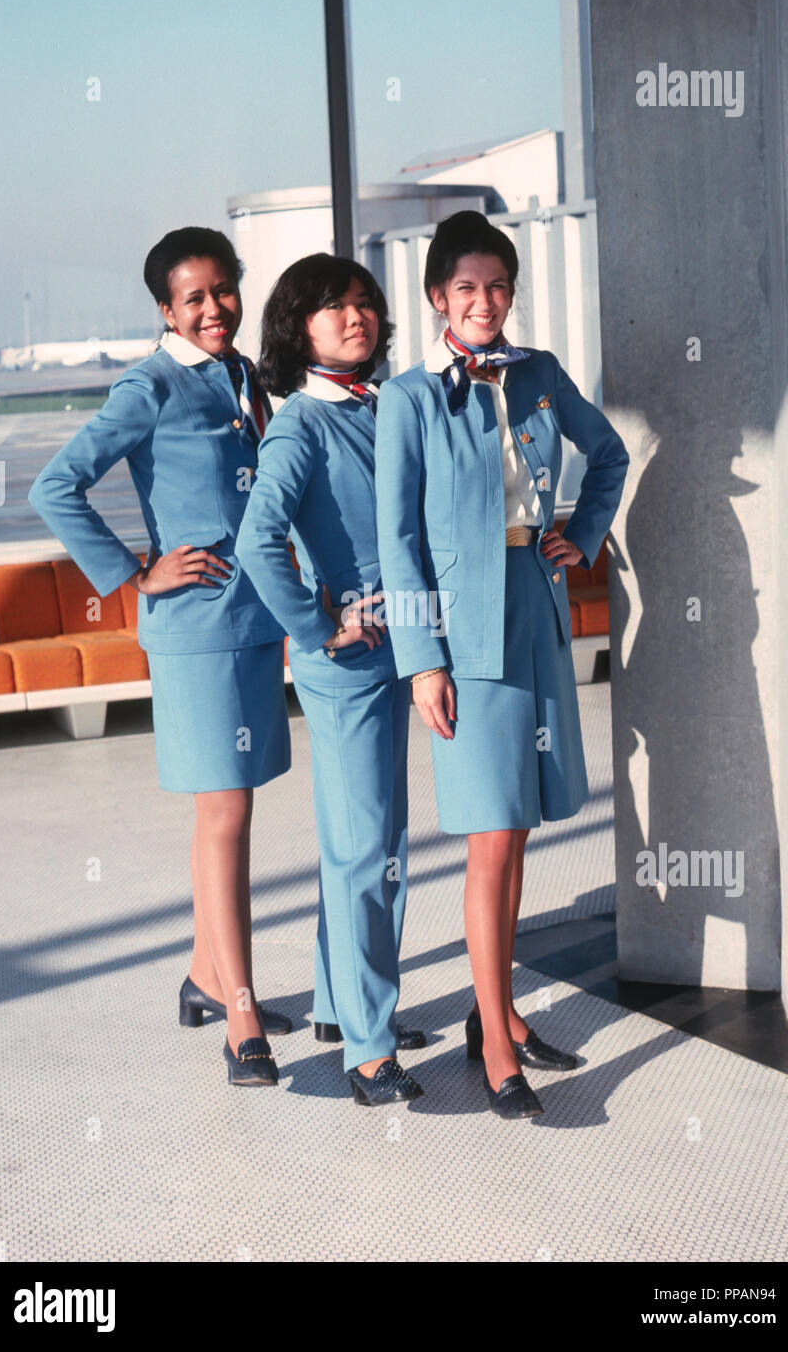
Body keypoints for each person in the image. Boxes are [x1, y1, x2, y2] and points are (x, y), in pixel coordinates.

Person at [375, 210, 629, 1119]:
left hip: (537, 606)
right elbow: (397, 541)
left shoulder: (541, 374)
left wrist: (582, 535)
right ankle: (492, 1043)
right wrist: (421, 662)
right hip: (461, 630)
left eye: (498, 287)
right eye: (466, 288)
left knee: (518, 826)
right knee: (489, 836)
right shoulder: (407, 399)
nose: (484, 302)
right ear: (437, 297)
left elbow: (609, 455)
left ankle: (501, 1010)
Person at [29, 226, 292, 1090]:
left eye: (224, 290)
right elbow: (55, 485)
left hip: (256, 618)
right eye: (194, 298)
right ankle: (241, 1015)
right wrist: (135, 573)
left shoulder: (243, 373)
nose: (214, 308)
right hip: (196, 628)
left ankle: (207, 976)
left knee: (230, 809)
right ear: (166, 310)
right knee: (224, 812)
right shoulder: (148, 385)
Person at [236, 253, 425, 1108]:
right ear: (297, 326)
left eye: (364, 303)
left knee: (367, 840)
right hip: (347, 661)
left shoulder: (383, 405)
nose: (356, 317)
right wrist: (318, 626)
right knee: (367, 848)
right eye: (333, 307)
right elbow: (257, 540)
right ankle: (369, 1050)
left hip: (401, 645)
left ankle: (338, 1006)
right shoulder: (301, 425)